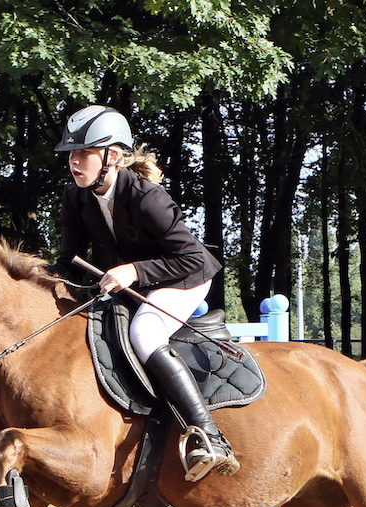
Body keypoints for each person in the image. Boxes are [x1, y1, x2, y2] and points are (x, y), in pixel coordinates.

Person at [50, 105, 238, 482]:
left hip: (184, 275)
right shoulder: (76, 197)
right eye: (71, 154)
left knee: (144, 333)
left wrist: (133, 270)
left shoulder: (147, 196)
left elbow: (187, 256)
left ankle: (210, 437)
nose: (74, 161)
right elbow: (69, 260)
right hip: (134, 280)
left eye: (83, 152)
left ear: (112, 157)